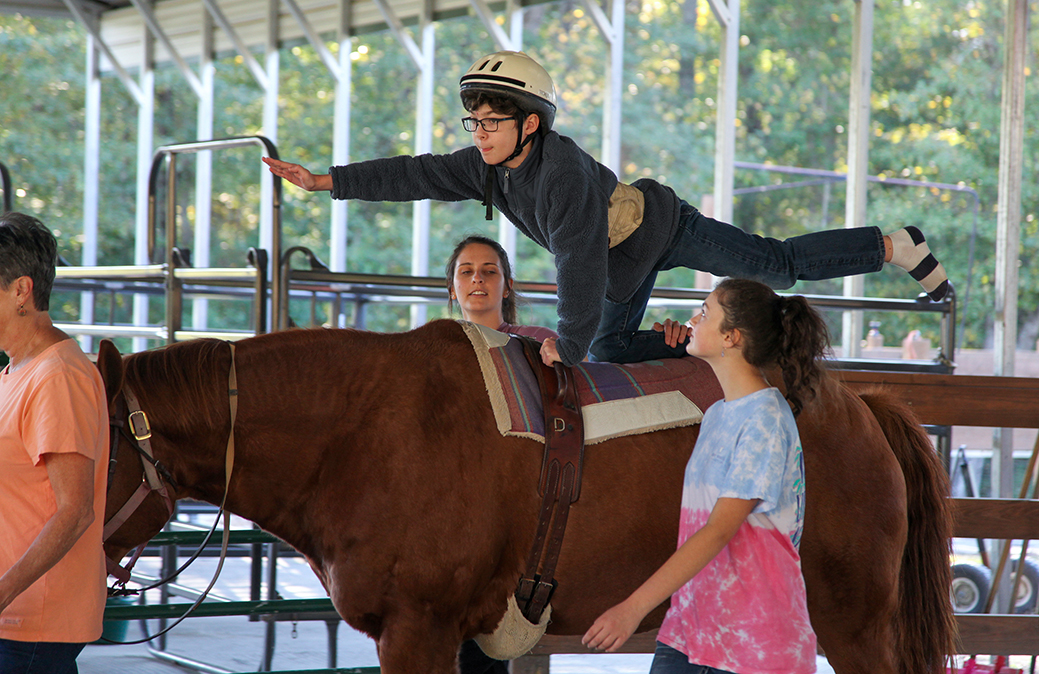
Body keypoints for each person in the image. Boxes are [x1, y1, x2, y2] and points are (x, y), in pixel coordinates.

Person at [262, 50, 949, 367]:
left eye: (491, 122)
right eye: (474, 122)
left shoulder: (559, 175)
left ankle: (893, 246)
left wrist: (564, 344)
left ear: (530, 124)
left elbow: (577, 265)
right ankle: (690, 350)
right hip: (623, 264)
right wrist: (326, 182)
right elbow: (411, 173)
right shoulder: (484, 166)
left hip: (663, 229)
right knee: (615, 347)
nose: (479, 133)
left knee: (778, 267)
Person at [581, 277, 826, 674]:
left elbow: (717, 530)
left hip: (753, 642)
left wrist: (633, 609)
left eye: (705, 312)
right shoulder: (716, 414)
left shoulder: (765, 419)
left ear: (731, 337)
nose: (693, 319)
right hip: (689, 630)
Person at [0, 212, 109, 674]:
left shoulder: (58, 376)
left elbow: (75, 509)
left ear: (21, 290)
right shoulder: (16, 369)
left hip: (30, 622)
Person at [445, 234, 557, 343]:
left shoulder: (541, 340)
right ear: (452, 289)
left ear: (507, 287)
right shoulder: (438, 348)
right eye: (466, 271)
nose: (477, 278)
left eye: (490, 271)